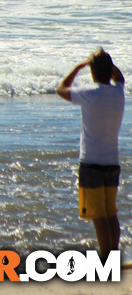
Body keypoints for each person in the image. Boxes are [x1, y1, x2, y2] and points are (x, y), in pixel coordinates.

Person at [57, 48, 125, 258]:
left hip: (92, 162)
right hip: (112, 162)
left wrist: (79, 66)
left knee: (98, 216)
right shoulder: (118, 92)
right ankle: (112, 256)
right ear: (109, 71)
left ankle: (106, 259)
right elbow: (120, 77)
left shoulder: (90, 94)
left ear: (93, 71)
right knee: (110, 213)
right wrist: (105, 64)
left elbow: (61, 89)